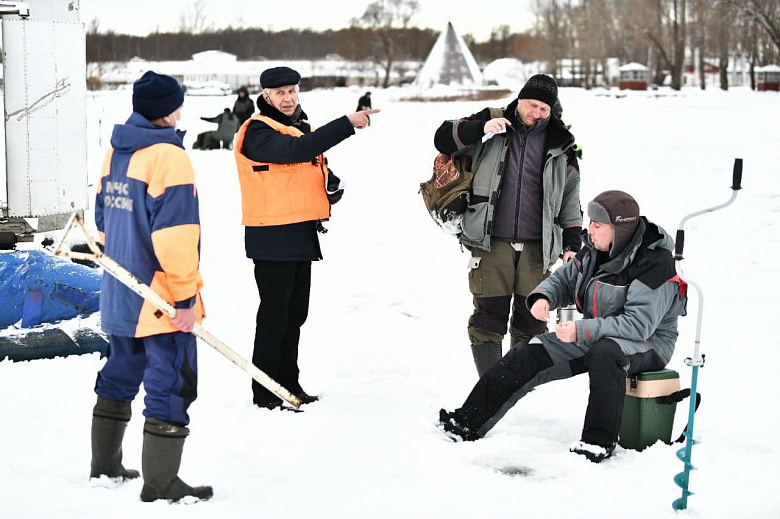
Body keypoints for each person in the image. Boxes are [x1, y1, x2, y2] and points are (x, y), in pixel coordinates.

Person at [438, 190, 688, 463]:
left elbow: (638, 325)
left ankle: (597, 443)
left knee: (606, 354)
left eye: (597, 225)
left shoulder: (655, 264)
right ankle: (466, 422)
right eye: (590, 222)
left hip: (647, 343)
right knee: (529, 352)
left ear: (621, 230)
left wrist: (581, 330)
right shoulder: (594, 251)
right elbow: (565, 280)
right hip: (596, 333)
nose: (589, 230)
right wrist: (544, 296)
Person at [90, 70, 212, 502]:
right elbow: (175, 236)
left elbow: (103, 220)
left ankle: (104, 465)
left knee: (121, 371)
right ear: (168, 110)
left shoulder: (116, 152)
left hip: (120, 290)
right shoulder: (168, 156)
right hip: (158, 297)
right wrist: (184, 299)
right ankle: (160, 483)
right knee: (171, 382)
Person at [234, 66, 379, 410]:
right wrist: (347, 123)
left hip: (300, 233)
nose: (287, 98)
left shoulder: (301, 128)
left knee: (295, 315)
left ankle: (290, 384)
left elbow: (306, 165)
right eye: (279, 93)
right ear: (266, 96)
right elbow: (296, 152)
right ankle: (266, 392)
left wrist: (329, 186)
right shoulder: (257, 130)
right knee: (274, 317)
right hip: (271, 237)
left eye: (292, 91)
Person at [433, 74, 582, 378]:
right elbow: (442, 138)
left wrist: (571, 245)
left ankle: (515, 384)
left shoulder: (562, 144)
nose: (536, 113)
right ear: (520, 99)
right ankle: (491, 386)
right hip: (490, 241)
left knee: (532, 319)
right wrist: (480, 129)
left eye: (543, 108)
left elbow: (570, 198)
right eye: (531, 105)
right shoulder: (493, 123)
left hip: (538, 248)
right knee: (489, 317)